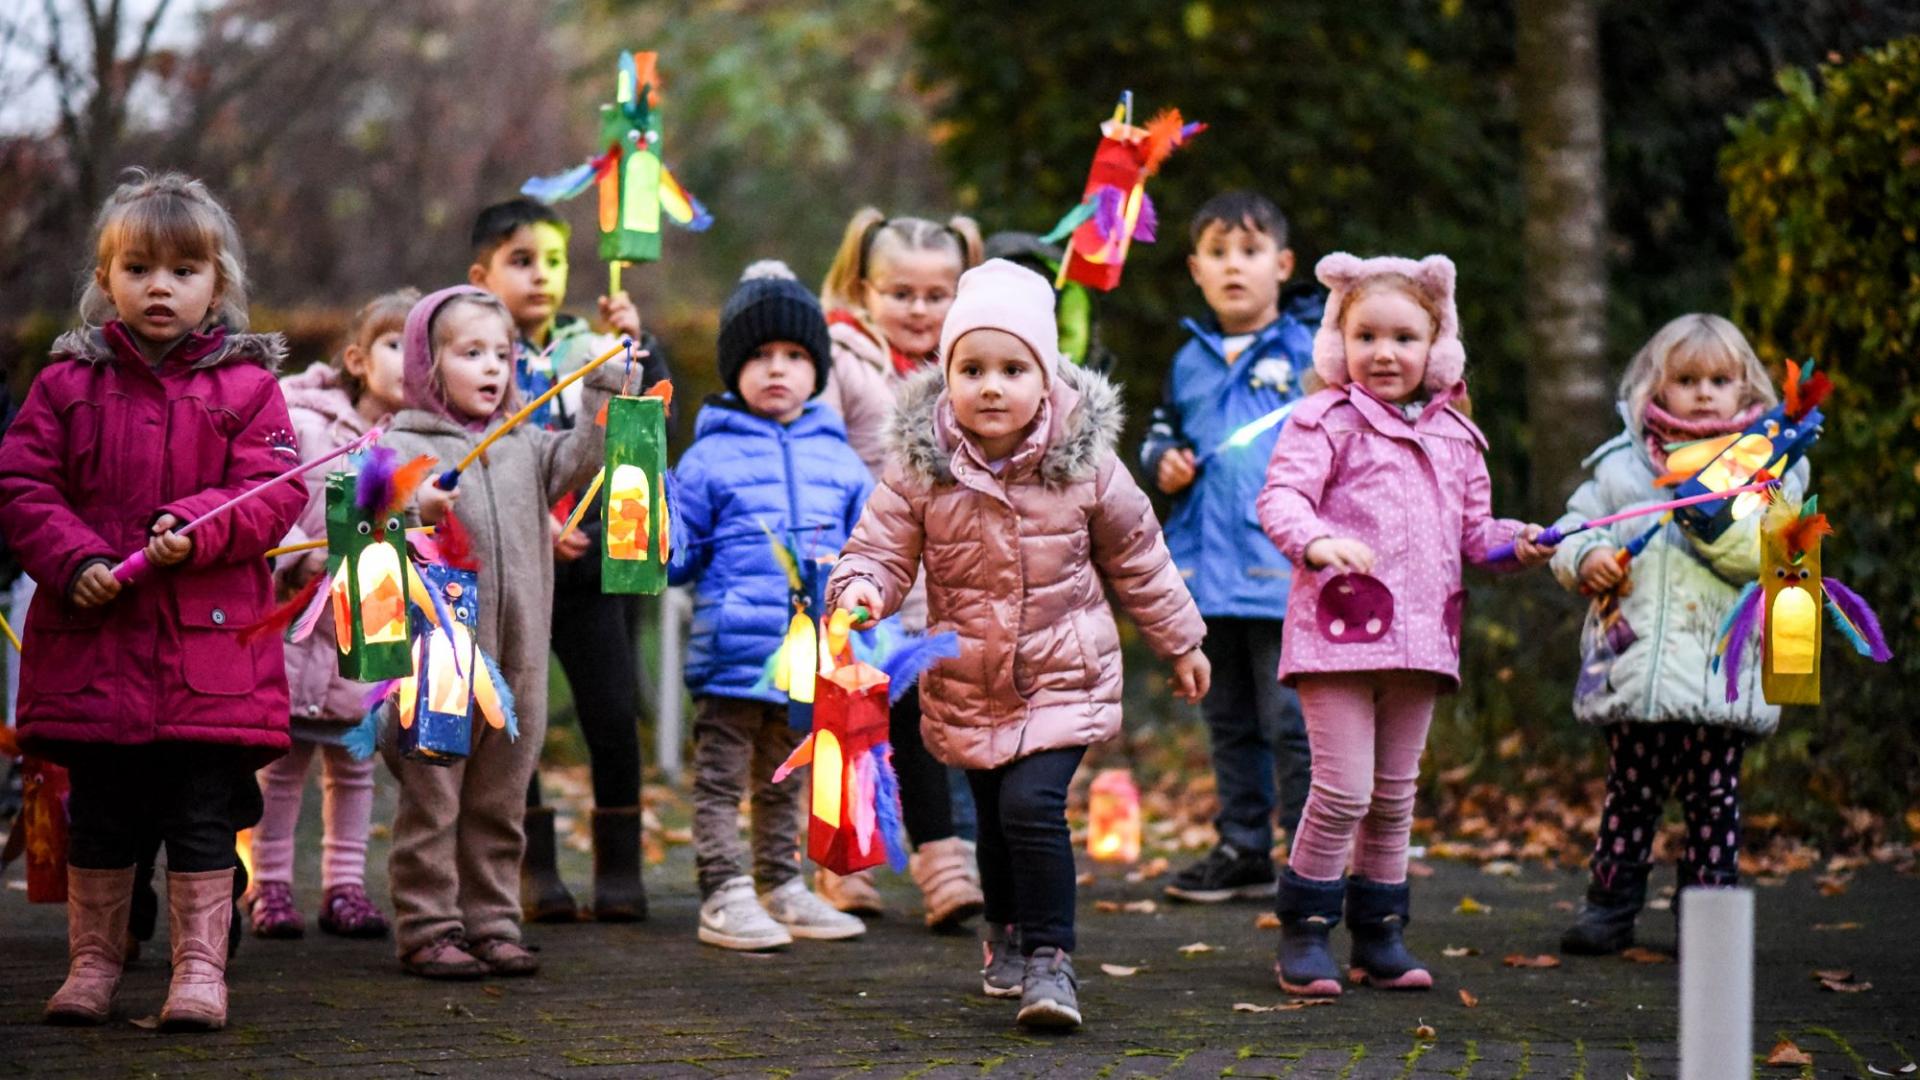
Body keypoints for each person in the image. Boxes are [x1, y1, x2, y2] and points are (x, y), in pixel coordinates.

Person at [830, 259, 1211, 1029]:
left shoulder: (1085, 467)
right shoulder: (921, 469)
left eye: (1012, 368)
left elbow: (1139, 556)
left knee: (1034, 807)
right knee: (995, 815)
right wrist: (862, 593)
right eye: (972, 369)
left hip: (1062, 673)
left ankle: (1051, 959)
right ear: (947, 376)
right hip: (968, 678)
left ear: (1047, 378)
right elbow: (878, 549)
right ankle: (1002, 932)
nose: (991, 386)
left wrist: (1180, 641)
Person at [0, 170, 307, 1030]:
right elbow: (24, 483)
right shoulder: (65, 385)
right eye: (137, 269)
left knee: (203, 817)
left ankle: (200, 972)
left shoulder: (249, 388)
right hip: (96, 648)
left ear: (219, 285)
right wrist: (76, 558)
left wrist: (196, 526)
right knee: (100, 815)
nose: (159, 286)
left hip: (208, 657)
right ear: (105, 283)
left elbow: (275, 488)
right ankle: (93, 965)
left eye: (181, 270)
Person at [1256, 253, 1550, 996]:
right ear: (1339, 343)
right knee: (1343, 791)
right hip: (1338, 634)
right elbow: (1282, 496)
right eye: (1366, 337)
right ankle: (1307, 929)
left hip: (1422, 639)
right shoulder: (1325, 420)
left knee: (1393, 797)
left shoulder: (1459, 436)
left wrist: (1519, 542)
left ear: (1437, 348)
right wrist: (1314, 541)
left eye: (1404, 338)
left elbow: (1473, 532)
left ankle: (1380, 935)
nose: (1384, 353)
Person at [379, 286, 620, 978]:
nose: (492, 367)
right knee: (432, 800)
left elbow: (583, 459)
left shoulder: (523, 443)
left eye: (501, 353)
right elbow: (357, 517)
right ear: (428, 364)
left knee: (500, 799)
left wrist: (602, 382)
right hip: (440, 663)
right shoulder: (401, 444)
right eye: (470, 352)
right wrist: (412, 504)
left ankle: (490, 921)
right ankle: (428, 926)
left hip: (520, 666)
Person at [1552, 313, 1802, 956]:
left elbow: (1771, 558)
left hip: (1723, 670)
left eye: (1720, 379)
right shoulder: (1621, 467)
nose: (1703, 392)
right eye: (1686, 379)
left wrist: (1705, 516)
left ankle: (1708, 926)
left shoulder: (1772, 470)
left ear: (1747, 389)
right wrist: (1586, 558)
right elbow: (1576, 526)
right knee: (1629, 797)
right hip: (1637, 664)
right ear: (1655, 388)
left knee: (1714, 802)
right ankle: (1610, 907)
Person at [467, 197, 669, 923]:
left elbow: (645, 422)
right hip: (514, 574)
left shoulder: (591, 344)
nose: (542, 277)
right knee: (512, 718)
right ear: (482, 274)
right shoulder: (475, 361)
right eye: (522, 262)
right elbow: (481, 456)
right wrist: (534, 524)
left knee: (611, 713)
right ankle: (529, 866)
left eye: (553, 261)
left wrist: (639, 347)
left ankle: (620, 863)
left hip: (588, 576)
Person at [670, 261, 873, 950]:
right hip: (731, 652)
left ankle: (781, 883)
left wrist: (866, 634)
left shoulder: (841, 460)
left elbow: (866, 557)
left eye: (793, 355)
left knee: (788, 777)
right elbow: (676, 559)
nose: (777, 369)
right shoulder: (704, 459)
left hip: (808, 661)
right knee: (722, 779)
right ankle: (724, 892)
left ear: (818, 368)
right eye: (758, 357)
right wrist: (647, 515)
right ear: (733, 370)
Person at [1137, 191, 1322, 903]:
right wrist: (1164, 462)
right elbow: (1159, 432)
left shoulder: (1312, 351)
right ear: (1195, 269)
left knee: (1293, 722)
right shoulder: (1189, 360)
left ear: (1282, 264)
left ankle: (1313, 855)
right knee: (1229, 721)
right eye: (1218, 254)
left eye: (1248, 252)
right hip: (1206, 576)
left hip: (1284, 571)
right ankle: (1243, 846)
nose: (1233, 267)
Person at [813, 208, 986, 926]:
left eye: (935, 294)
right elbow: (817, 449)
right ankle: (842, 862)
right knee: (848, 722)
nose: (918, 309)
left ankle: (946, 862)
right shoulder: (839, 360)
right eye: (900, 294)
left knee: (929, 725)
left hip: (946, 579)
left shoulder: (975, 364)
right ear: (863, 288)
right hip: (865, 572)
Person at [245, 288, 419, 941]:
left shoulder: (420, 443)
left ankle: (345, 886)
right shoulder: (308, 424)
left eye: (422, 350)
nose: (410, 361)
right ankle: (271, 886)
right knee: (283, 765)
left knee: (354, 765)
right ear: (357, 356)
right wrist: (296, 564)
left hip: (371, 632)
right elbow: (276, 509)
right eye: (394, 345)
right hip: (298, 625)